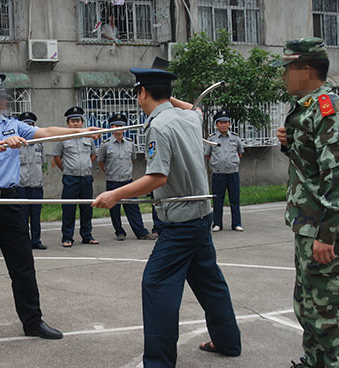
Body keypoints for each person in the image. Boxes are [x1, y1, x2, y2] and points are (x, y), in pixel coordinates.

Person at [92, 67, 241, 367]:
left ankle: (158, 363)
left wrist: (115, 195)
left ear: (143, 92)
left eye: (138, 92)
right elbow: (194, 108)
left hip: (180, 221)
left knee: (156, 284)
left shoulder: (158, 127)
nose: (137, 97)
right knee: (210, 282)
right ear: (168, 94)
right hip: (200, 215)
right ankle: (227, 341)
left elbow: (157, 177)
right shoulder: (187, 118)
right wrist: (168, 95)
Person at [0, 74, 99, 342]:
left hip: (10, 202)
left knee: (22, 265)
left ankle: (33, 321)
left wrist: (78, 131)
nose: (2, 102)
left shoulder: (13, 126)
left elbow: (45, 133)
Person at [274, 37, 339, 368]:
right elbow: (311, 165)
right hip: (307, 225)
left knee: (325, 312)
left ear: (307, 69)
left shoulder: (328, 108)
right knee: (308, 305)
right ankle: (315, 362)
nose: (284, 76)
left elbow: (337, 177)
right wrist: (289, 144)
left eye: (288, 69)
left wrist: (327, 235)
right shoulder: (308, 107)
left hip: (321, 230)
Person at [97, 113, 155, 241]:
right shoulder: (105, 145)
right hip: (113, 180)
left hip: (127, 181)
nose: (119, 128)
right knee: (114, 209)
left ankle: (141, 232)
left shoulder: (130, 144)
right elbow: (101, 161)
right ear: (111, 127)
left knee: (133, 207)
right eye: (116, 125)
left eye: (121, 126)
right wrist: (109, 172)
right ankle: (119, 231)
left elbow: (132, 159)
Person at [53, 106, 99, 247]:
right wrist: (67, 169)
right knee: (69, 209)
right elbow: (57, 157)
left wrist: (86, 165)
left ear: (82, 122)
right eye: (72, 121)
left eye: (78, 121)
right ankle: (67, 237)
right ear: (68, 123)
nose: (75, 123)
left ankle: (87, 235)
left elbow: (93, 154)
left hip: (86, 177)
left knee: (87, 208)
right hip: (70, 178)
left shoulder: (88, 138)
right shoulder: (63, 138)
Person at [204, 110, 244, 232]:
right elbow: (207, 155)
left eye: (226, 122)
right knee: (217, 200)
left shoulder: (235, 138)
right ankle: (217, 224)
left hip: (233, 173)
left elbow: (240, 153)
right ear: (216, 125)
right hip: (218, 174)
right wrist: (217, 163)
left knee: (235, 199)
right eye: (220, 123)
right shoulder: (212, 139)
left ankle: (236, 223)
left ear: (229, 124)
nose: (223, 125)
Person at [16, 112, 47, 250]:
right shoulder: (15, 145)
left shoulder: (39, 143)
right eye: (26, 125)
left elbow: (43, 162)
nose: (29, 127)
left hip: (36, 185)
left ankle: (36, 240)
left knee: (36, 216)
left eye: (31, 124)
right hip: (21, 186)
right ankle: (23, 242)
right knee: (22, 217)